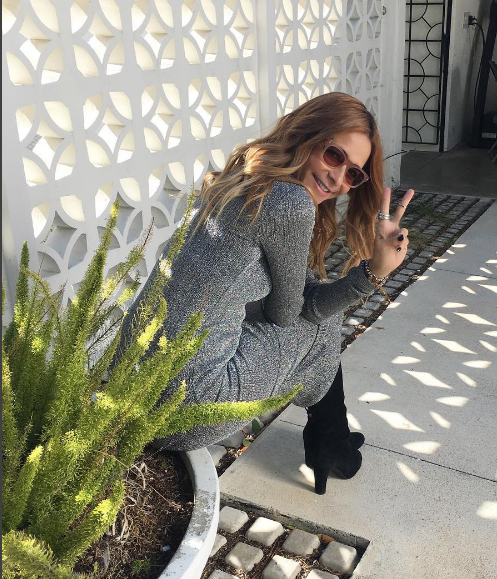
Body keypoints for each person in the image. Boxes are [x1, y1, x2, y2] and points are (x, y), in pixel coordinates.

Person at [119, 92, 414, 495]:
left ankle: (333, 438)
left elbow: (278, 293)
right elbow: (288, 313)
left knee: (317, 314)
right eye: (334, 155)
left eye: (353, 174)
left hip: (132, 382)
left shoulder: (240, 178)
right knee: (323, 325)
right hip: (186, 410)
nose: (337, 178)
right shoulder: (291, 202)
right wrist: (375, 272)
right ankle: (331, 442)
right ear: (307, 136)